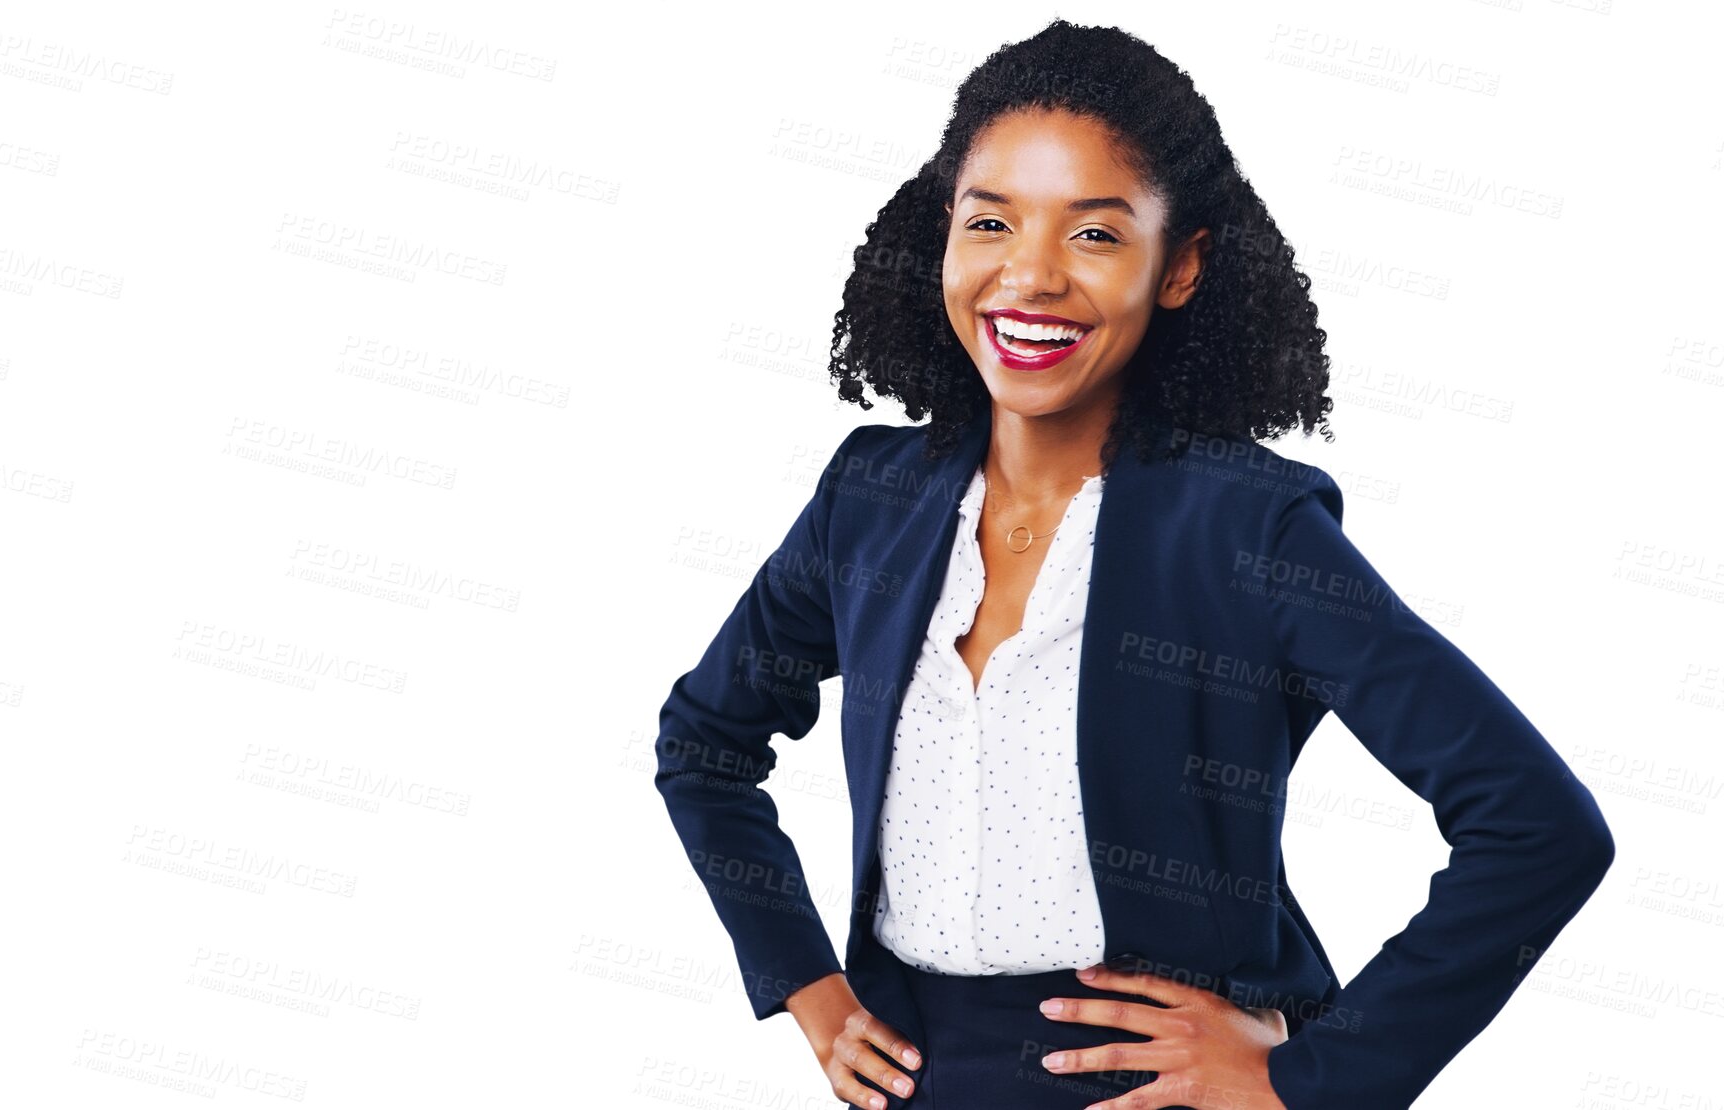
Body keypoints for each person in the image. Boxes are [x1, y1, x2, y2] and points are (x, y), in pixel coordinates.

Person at [653, 19, 1613, 1110]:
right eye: (990, 222)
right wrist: (808, 987)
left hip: (1148, 1090)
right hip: (913, 1079)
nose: (1030, 274)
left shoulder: (1249, 529)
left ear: (1183, 266)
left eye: (1096, 236)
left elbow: (1538, 826)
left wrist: (1313, 1080)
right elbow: (706, 743)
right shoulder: (870, 500)